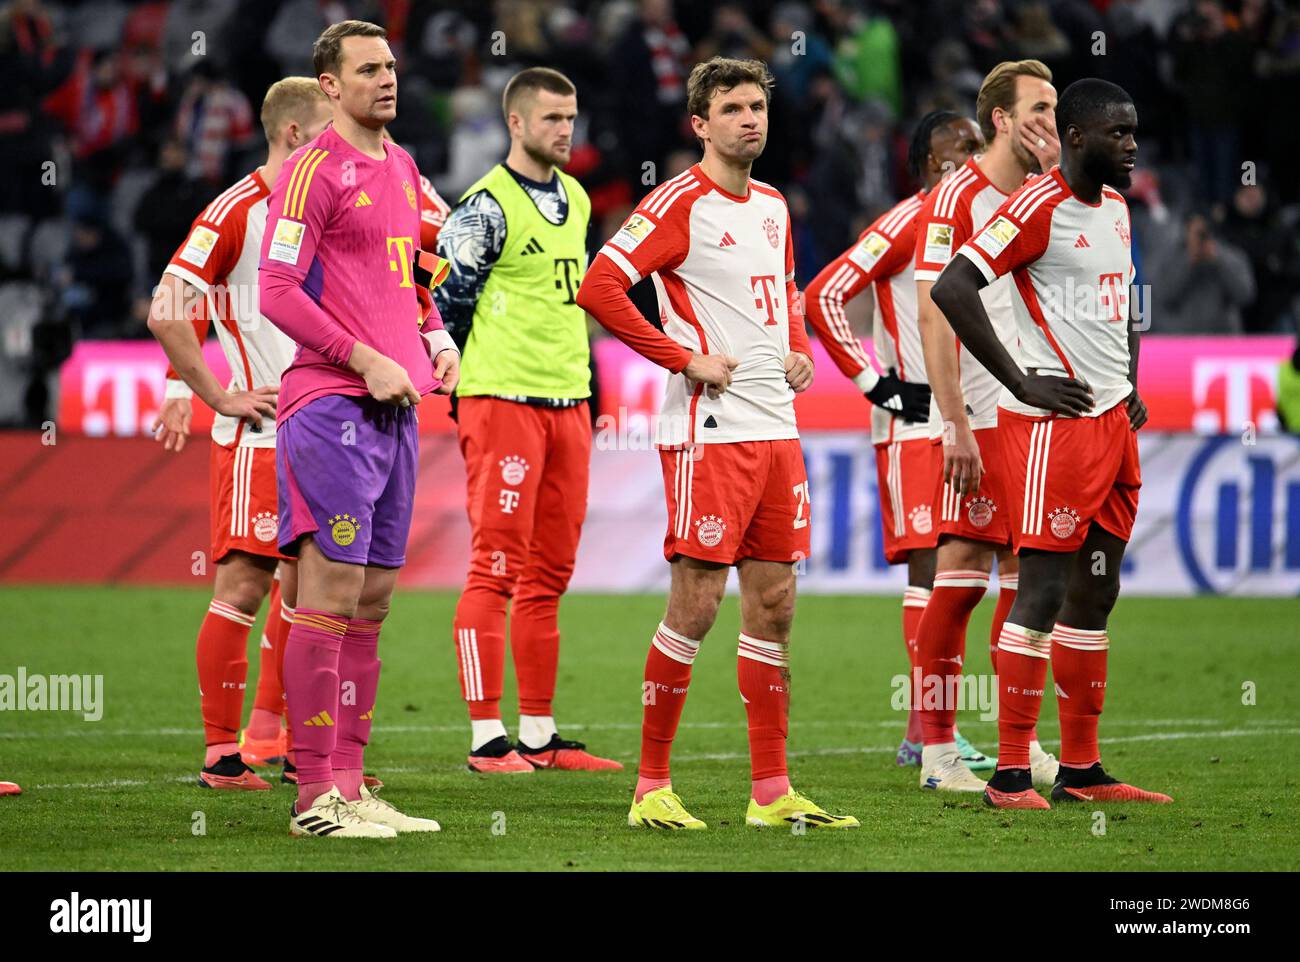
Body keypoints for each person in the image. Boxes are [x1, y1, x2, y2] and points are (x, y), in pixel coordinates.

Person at [576, 56, 858, 830]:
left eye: (757, 107)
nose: (750, 120)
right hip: (710, 431)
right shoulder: (678, 202)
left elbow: (788, 290)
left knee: (773, 606)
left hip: (777, 428)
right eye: (731, 108)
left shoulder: (772, 202)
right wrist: (684, 357)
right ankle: (651, 788)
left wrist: (798, 345)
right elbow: (599, 285)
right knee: (696, 607)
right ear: (699, 123)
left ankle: (771, 793)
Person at [930, 77, 1172, 809]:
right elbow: (952, 287)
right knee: (1036, 591)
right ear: (1075, 137)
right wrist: (1019, 380)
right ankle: (1008, 774)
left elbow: (1123, 303)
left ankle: (1082, 770)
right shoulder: (1034, 208)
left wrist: (1126, 381)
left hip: (1110, 428)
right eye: (1118, 134)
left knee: (1096, 591)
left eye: (1134, 133)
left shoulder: (1120, 211)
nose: (1131, 146)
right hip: (1052, 435)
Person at [257, 19, 459, 838]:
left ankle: (350, 781)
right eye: (368, 69)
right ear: (330, 87)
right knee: (331, 593)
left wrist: (434, 336)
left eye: (391, 65)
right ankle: (313, 798)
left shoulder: (403, 165)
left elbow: (412, 270)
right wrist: (361, 356)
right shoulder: (309, 172)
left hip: (396, 408)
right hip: (330, 406)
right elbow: (276, 289)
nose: (387, 79)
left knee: (372, 602)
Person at [148, 76, 332, 791]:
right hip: (262, 435)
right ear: (293, 133)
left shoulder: (327, 205)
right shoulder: (236, 209)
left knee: (314, 592)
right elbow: (169, 305)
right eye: (328, 133)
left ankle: (282, 744)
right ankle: (221, 755)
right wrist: (211, 393)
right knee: (244, 585)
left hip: (330, 430)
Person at [434, 68, 620, 773]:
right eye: (551, 119)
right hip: (503, 401)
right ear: (515, 123)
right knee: (496, 566)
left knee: (550, 573)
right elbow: (443, 307)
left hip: (566, 401)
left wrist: (591, 396)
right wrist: (454, 388)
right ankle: (487, 737)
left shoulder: (575, 197)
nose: (565, 131)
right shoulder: (484, 207)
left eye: (571, 118)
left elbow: (573, 304)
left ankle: (539, 735)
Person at [803, 111, 982, 768]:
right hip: (915, 421)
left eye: (976, 144)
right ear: (925, 163)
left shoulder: (986, 225)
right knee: (931, 569)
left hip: (971, 420)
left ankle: (928, 731)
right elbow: (823, 296)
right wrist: (877, 385)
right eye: (954, 146)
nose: (969, 154)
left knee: (962, 576)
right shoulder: (909, 219)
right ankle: (927, 733)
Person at [911, 59, 1063, 793]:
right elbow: (933, 314)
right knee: (962, 576)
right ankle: (937, 751)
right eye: (1037, 108)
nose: (1049, 122)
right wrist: (955, 424)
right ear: (1000, 118)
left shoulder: (1042, 193)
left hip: (1032, 413)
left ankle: (1019, 745)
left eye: (1055, 109)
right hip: (978, 411)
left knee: (1027, 580)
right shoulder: (956, 196)